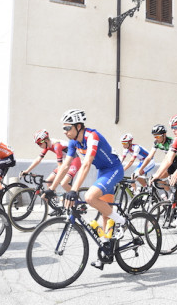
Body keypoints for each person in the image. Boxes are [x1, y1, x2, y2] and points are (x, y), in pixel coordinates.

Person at [46, 109, 125, 270]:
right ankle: (106, 251)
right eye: (64, 128)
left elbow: (87, 163)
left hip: (114, 169)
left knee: (89, 197)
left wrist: (74, 190)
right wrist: (51, 188)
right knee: (105, 213)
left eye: (68, 128)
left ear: (79, 126)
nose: (65, 131)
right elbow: (65, 165)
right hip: (103, 171)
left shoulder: (92, 136)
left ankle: (123, 222)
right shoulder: (74, 142)